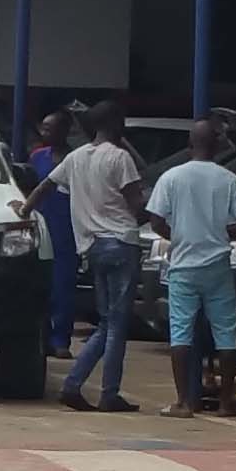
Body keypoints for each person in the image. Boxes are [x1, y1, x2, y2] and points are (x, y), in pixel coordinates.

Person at [144, 117, 236, 416]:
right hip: (218, 266)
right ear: (217, 145)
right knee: (226, 333)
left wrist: (180, 236)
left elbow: (155, 221)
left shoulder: (171, 177)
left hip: (183, 265)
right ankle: (226, 402)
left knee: (181, 332)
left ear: (189, 144)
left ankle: (183, 402)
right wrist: (218, 233)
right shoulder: (231, 180)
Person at [51, 111, 148, 414]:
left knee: (107, 323)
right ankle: (109, 393)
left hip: (92, 246)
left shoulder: (76, 157)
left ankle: (72, 384)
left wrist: (24, 209)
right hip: (121, 243)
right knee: (117, 325)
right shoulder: (120, 158)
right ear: (116, 125)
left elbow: (46, 186)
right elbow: (137, 205)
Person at [28, 111, 78, 355]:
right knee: (41, 285)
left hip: (66, 229)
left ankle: (60, 339)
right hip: (40, 226)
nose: (44, 132)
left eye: (50, 128)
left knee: (63, 286)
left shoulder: (75, 159)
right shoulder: (37, 157)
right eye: (43, 127)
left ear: (64, 131)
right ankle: (43, 337)